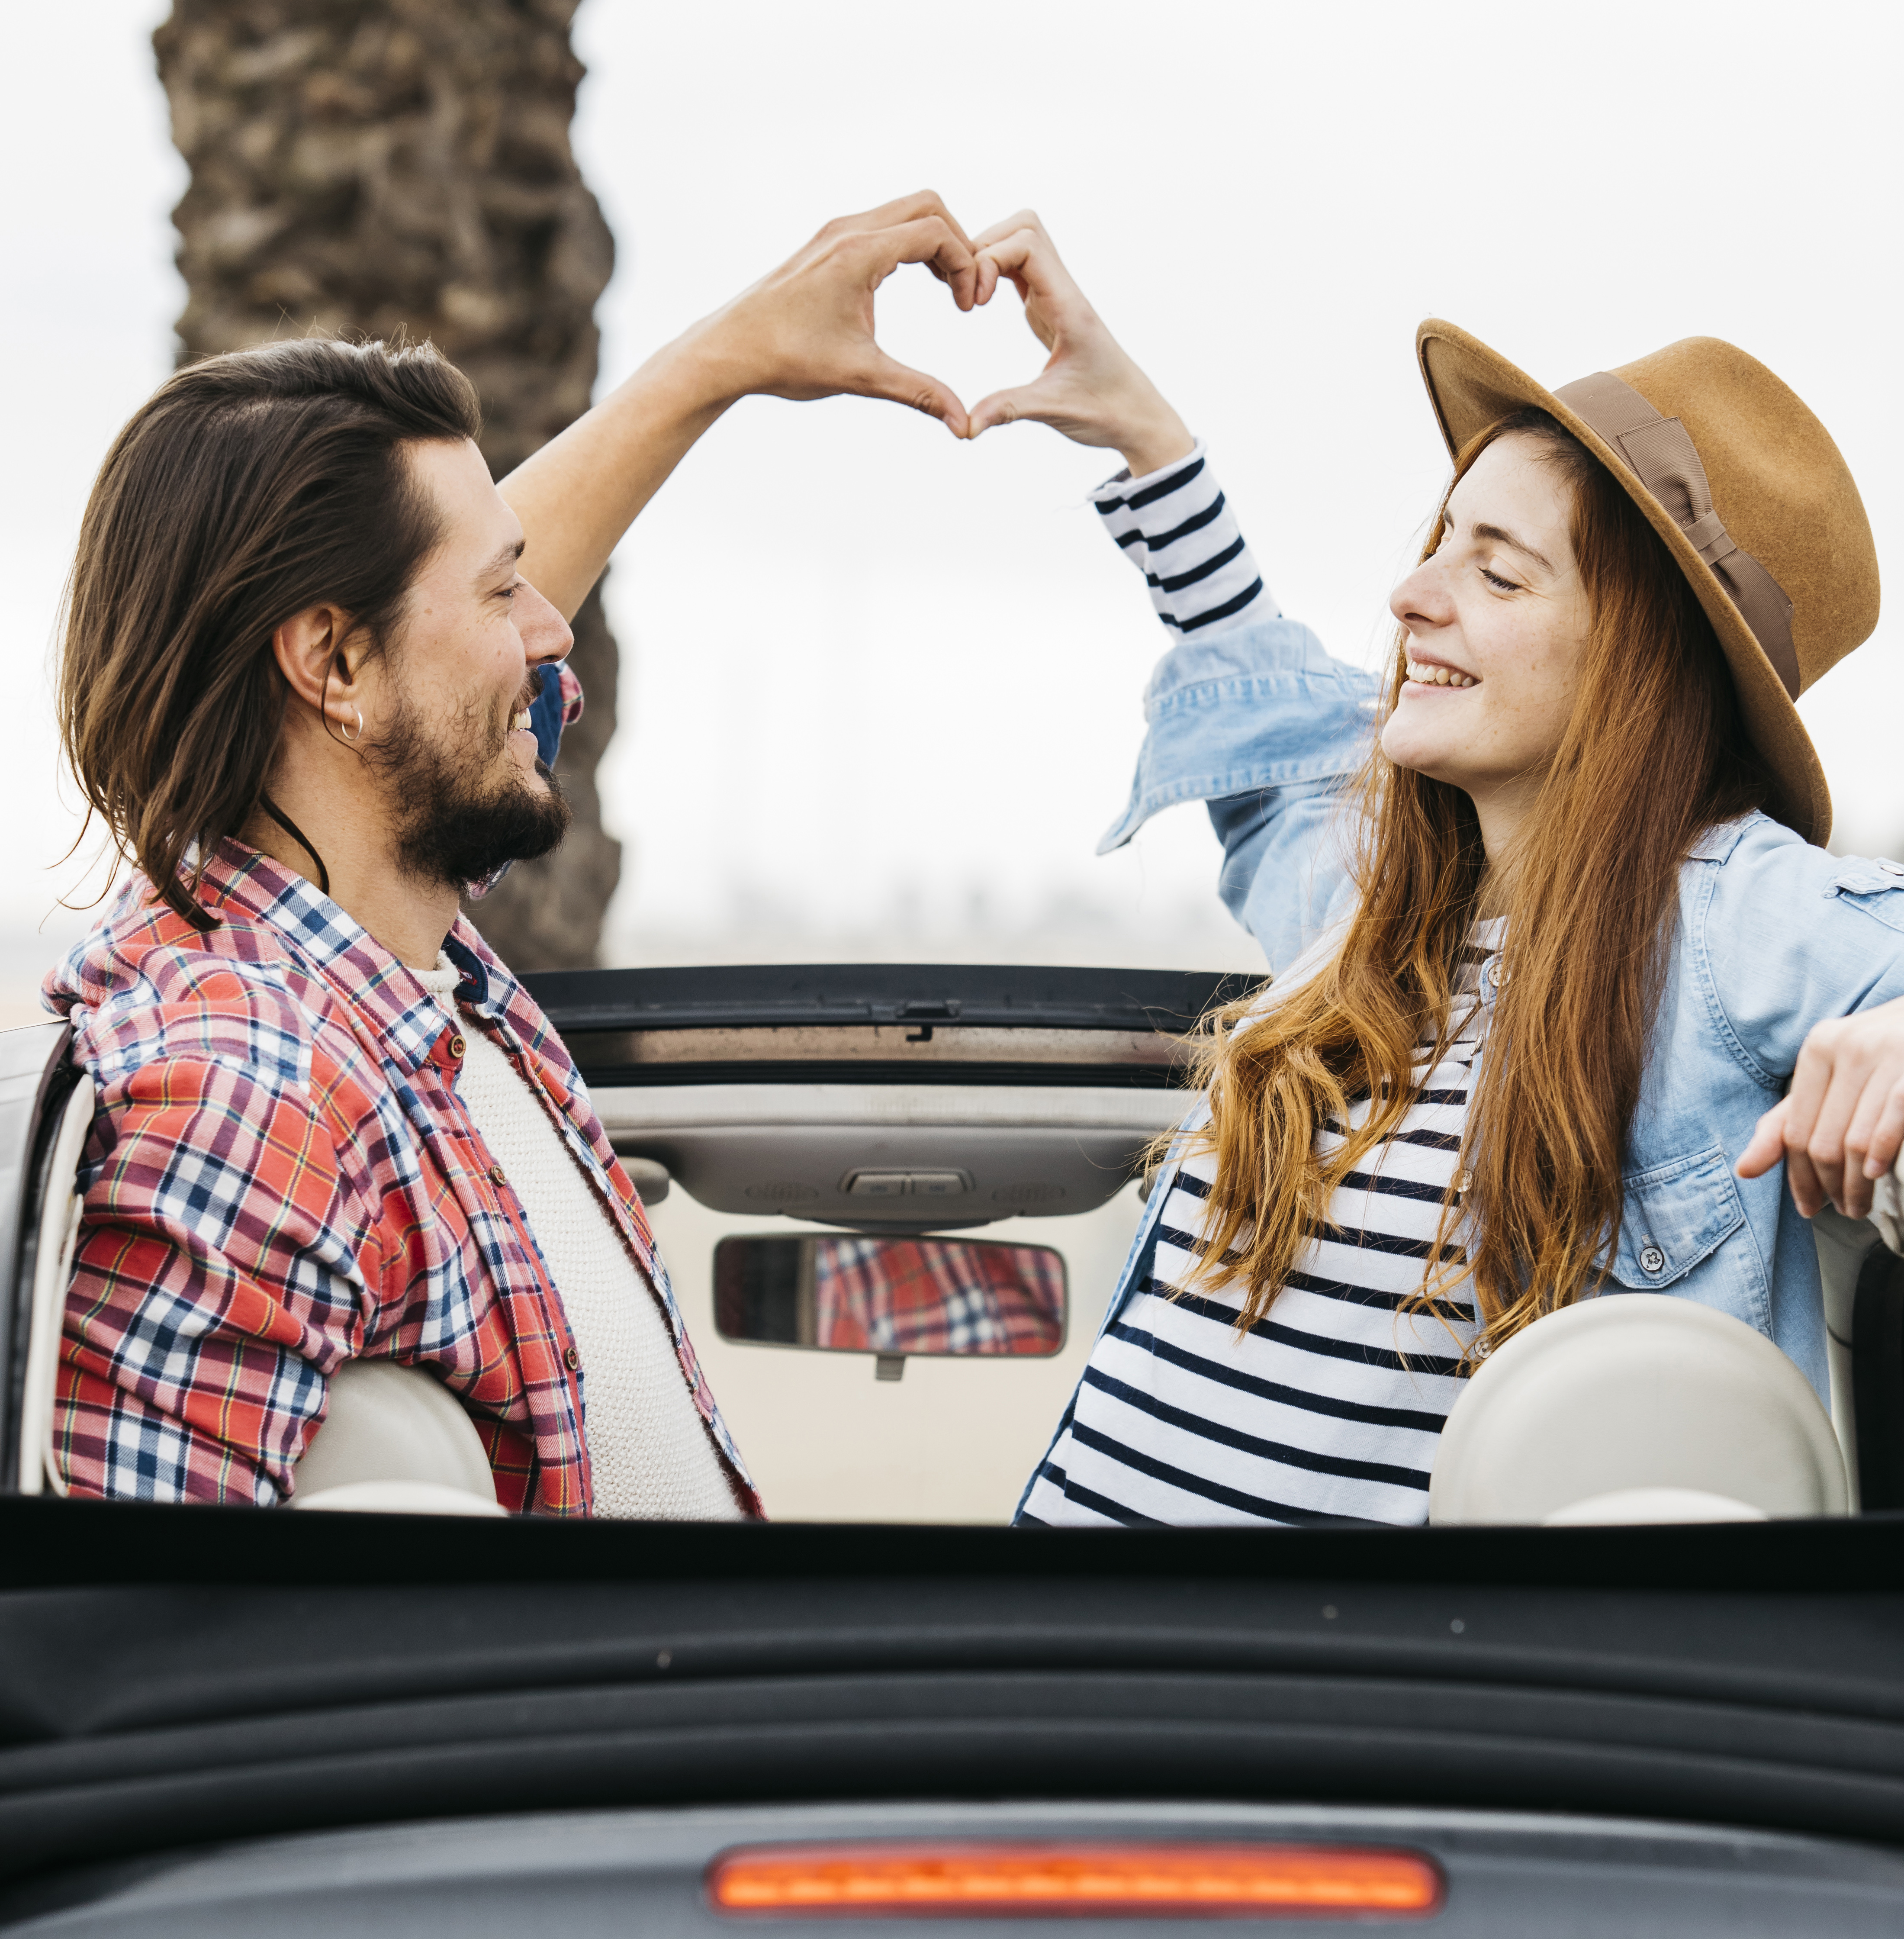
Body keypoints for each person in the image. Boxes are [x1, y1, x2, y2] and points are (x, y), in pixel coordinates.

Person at [955, 214, 1904, 1530]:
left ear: (1640, 672)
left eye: (1497, 572)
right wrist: (1145, 439)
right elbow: (1277, 725)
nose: (1410, 594)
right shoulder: (1372, 906)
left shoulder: (1741, 922)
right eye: (1441, 537)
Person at [46, 193, 987, 1515]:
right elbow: (154, 1649)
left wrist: (730, 359)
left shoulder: (387, 944)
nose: (557, 634)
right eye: (503, 591)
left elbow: (437, 664)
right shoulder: (253, 1095)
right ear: (332, 664)